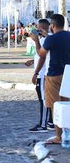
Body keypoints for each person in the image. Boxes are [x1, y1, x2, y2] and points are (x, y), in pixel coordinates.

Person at [31, 14, 70, 144]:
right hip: (68, 74)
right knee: (67, 104)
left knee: (55, 106)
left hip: (53, 75)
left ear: (52, 25)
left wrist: (36, 41)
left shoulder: (51, 39)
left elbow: (41, 54)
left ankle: (59, 137)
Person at [25, 19, 53, 132]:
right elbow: (42, 55)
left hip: (42, 74)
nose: (36, 30)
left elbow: (42, 56)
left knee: (44, 100)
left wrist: (35, 73)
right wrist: (33, 60)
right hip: (44, 72)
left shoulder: (47, 38)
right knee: (48, 99)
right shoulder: (46, 38)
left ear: (43, 28)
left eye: (39, 28)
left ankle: (43, 125)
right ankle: (50, 122)